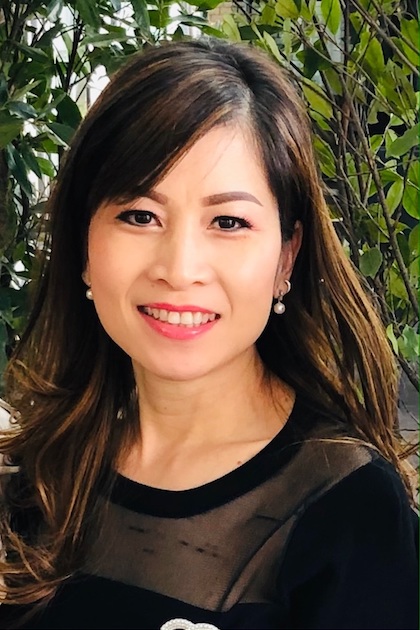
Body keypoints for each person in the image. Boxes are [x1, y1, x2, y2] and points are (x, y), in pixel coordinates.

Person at [0, 38, 418, 630]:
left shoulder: (348, 507)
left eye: (228, 221)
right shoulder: (38, 472)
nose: (180, 268)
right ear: (83, 246)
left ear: (286, 256)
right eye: (140, 215)